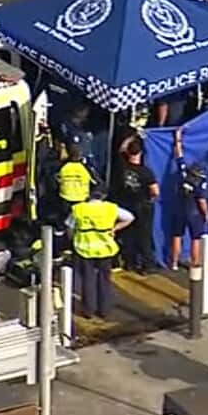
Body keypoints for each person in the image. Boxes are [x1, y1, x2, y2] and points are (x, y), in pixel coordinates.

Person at [66, 184, 133, 319]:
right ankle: (104, 310)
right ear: (104, 195)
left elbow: (69, 227)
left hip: (84, 248)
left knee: (88, 279)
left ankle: (88, 310)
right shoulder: (110, 208)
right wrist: (115, 228)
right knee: (104, 279)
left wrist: (73, 238)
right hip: (105, 249)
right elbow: (129, 217)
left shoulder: (79, 209)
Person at [114, 137, 158, 274]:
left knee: (128, 235)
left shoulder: (122, 167)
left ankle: (129, 263)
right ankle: (147, 265)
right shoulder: (146, 172)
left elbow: (121, 149)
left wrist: (130, 137)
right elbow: (155, 191)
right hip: (143, 205)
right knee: (144, 235)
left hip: (127, 204)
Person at [168, 128, 208, 271]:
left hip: (179, 209)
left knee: (177, 236)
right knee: (195, 239)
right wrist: (206, 214)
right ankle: (195, 263)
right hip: (194, 213)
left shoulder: (183, 172)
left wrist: (177, 138)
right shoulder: (201, 182)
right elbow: (202, 201)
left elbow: (178, 155)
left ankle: (173, 263)